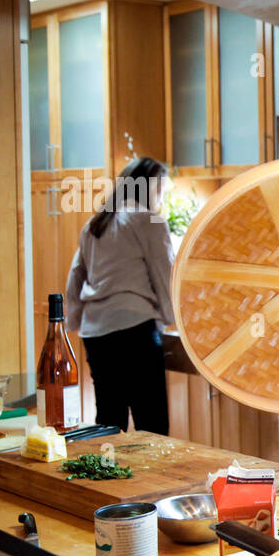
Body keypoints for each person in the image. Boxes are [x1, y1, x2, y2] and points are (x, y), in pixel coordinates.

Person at [65, 156, 174, 435]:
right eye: (161, 188)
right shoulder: (148, 221)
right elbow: (165, 277)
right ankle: (156, 480)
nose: (161, 195)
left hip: (97, 334)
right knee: (152, 424)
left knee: (109, 421)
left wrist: (75, 322)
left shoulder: (96, 223)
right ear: (150, 188)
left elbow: (75, 277)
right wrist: (173, 318)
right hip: (134, 328)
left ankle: (111, 475)